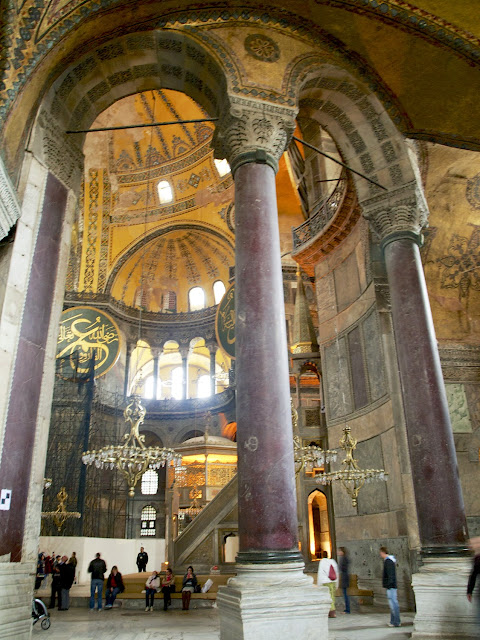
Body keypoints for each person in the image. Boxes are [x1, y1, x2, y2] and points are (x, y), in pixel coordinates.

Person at [380, 546, 400, 628]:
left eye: (381, 553)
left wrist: (389, 584)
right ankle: (393, 621)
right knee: (392, 604)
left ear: (383, 552)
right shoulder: (389, 561)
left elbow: (390, 575)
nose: (380, 555)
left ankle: (396, 621)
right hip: (391, 585)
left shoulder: (388, 561)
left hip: (391, 586)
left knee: (393, 604)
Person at [318, 551, 339, 618]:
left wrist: (319, 584)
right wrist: (337, 584)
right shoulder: (333, 561)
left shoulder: (322, 562)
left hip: (325, 582)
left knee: (327, 597)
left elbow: (320, 573)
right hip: (333, 581)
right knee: (332, 596)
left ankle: (330, 612)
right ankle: (332, 612)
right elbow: (336, 572)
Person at [467, 536, 480, 631]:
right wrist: (469, 591)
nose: (472, 546)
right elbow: (473, 575)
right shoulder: (477, 558)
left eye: (475, 543)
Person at [338, 547, 350, 614]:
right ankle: (347, 609)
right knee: (345, 594)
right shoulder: (344, 558)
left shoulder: (344, 559)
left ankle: (347, 610)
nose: (338, 552)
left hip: (345, 578)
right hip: (345, 577)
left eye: (339, 551)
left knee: (345, 594)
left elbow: (343, 568)